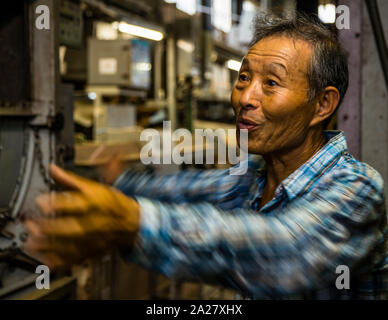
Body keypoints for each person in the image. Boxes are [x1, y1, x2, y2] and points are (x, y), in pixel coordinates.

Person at [25, 14, 388, 299]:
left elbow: (285, 251)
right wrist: (116, 182)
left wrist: (132, 222)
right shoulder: (254, 177)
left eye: (271, 83)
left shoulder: (357, 189)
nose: (245, 97)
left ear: (322, 104)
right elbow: (189, 189)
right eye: (244, 77)